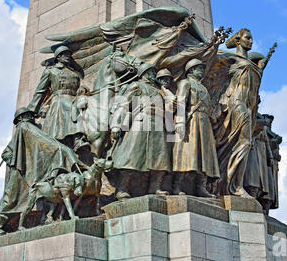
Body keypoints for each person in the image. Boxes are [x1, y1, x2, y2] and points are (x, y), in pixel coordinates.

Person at [0, 107, 81, 236]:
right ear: (21, 119)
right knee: (11, 199)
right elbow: (44, 142)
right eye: (28, 115)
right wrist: (61, 149)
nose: (31, 118)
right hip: (18, 172)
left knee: (17, 199)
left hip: (27, 171)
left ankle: (12, 223)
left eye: (31, 115)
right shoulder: (24, 127)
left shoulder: (26, 129)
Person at [216, 29, 268, 198]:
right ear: (238, 40)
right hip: (237, 104)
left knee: (241, 144)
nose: (251, 41)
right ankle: (235, 187)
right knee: (244, 143)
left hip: (250, 107)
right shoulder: (231, 58)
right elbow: (209, 60)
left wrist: (260, 67)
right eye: (248, 38)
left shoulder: (251, 64)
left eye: (252, 38)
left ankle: (225, 183)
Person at [110, 63, 172, 200]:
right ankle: (122, 188)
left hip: (157, 124)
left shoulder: (158, 90)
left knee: (160, 158)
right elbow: (123, 105)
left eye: (153, 72)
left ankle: (155, 187)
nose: (152, 75)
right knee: (131, 156)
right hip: (141, 122)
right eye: (150, 72)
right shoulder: (136, 86)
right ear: (143, 73)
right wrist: (116, 125)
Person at [27, 45, 89, 152]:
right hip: (60, 100)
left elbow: (81, 85)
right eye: (65, 55)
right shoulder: (51, 71)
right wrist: (31, 110)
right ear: (58, 57)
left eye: (69, 55)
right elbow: (40, 91)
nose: (68, 57)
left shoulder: (74, 72)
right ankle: (77, 139)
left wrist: (82, 89)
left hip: (74, 97)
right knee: (70, 106)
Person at [172, 59, 219, 197]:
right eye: (199, 68)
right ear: (191, 70)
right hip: (192, 122)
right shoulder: (185, 83)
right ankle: (177, 186)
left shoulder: (203, 87)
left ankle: (201, 187)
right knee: (187, 153)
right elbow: (181, 103)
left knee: (204, 155)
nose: (201, 71)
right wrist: (180, 122)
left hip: (204, 123)